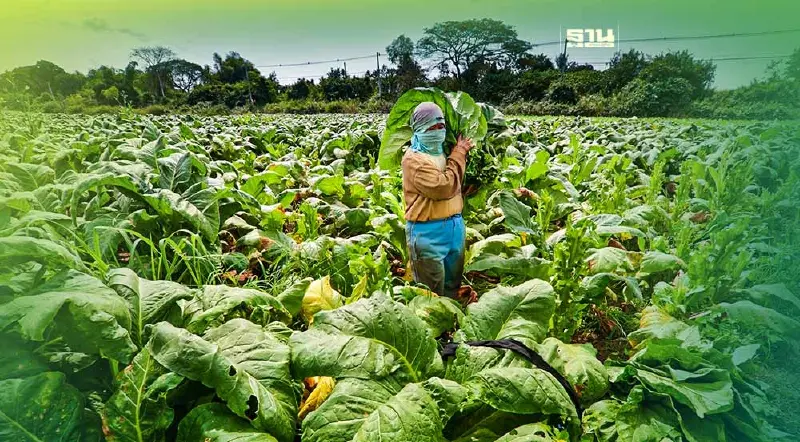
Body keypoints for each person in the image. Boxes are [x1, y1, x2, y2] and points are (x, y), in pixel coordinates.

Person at [402, 102, 474, 298]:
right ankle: (435, 327)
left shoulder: (444, 150)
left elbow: (455, 182)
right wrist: (460, 153)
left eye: (441, 126)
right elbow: (443, 188)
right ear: (419, 129)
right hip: (427, 232)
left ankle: (451, 323)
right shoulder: (414, 160)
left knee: (452, 285)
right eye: (432, 127)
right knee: (431, 292)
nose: (438, 131)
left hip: (454, 227)